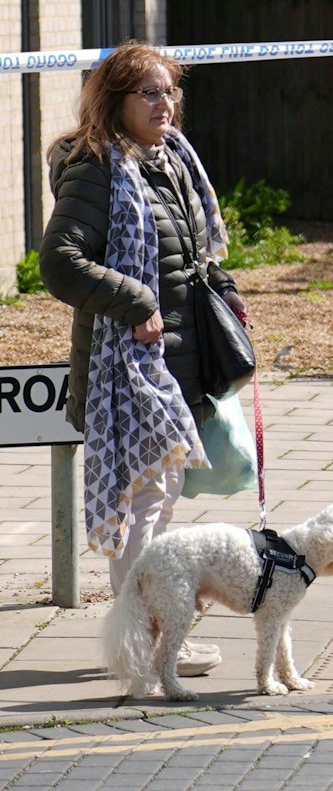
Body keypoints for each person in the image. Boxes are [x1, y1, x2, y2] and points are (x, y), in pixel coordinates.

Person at [39, 42, 248, 680]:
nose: (166, 103)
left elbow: (189, 257)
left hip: (174, 364)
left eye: (170, 91)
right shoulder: (96, 168)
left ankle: (157, 640)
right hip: (124, 372)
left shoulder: (171, 158)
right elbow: (59, 262)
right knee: (142, 505)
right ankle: (142, 650)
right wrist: (133, 300)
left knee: (161, 501)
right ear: (115, 101)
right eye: (150, 93)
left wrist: (226, 294)